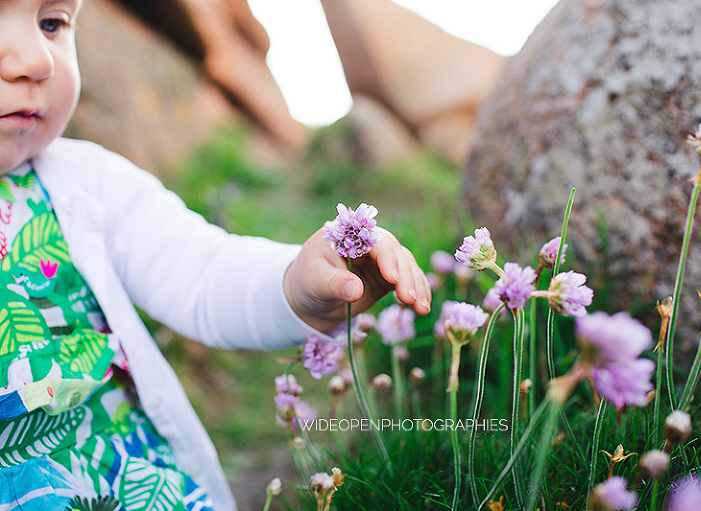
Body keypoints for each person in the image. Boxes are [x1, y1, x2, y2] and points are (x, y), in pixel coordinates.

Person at [0, 0, 432, 509]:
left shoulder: (85, 182)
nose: (38, 60)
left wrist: (299, 286)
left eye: (52, 23)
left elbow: (201, 271)